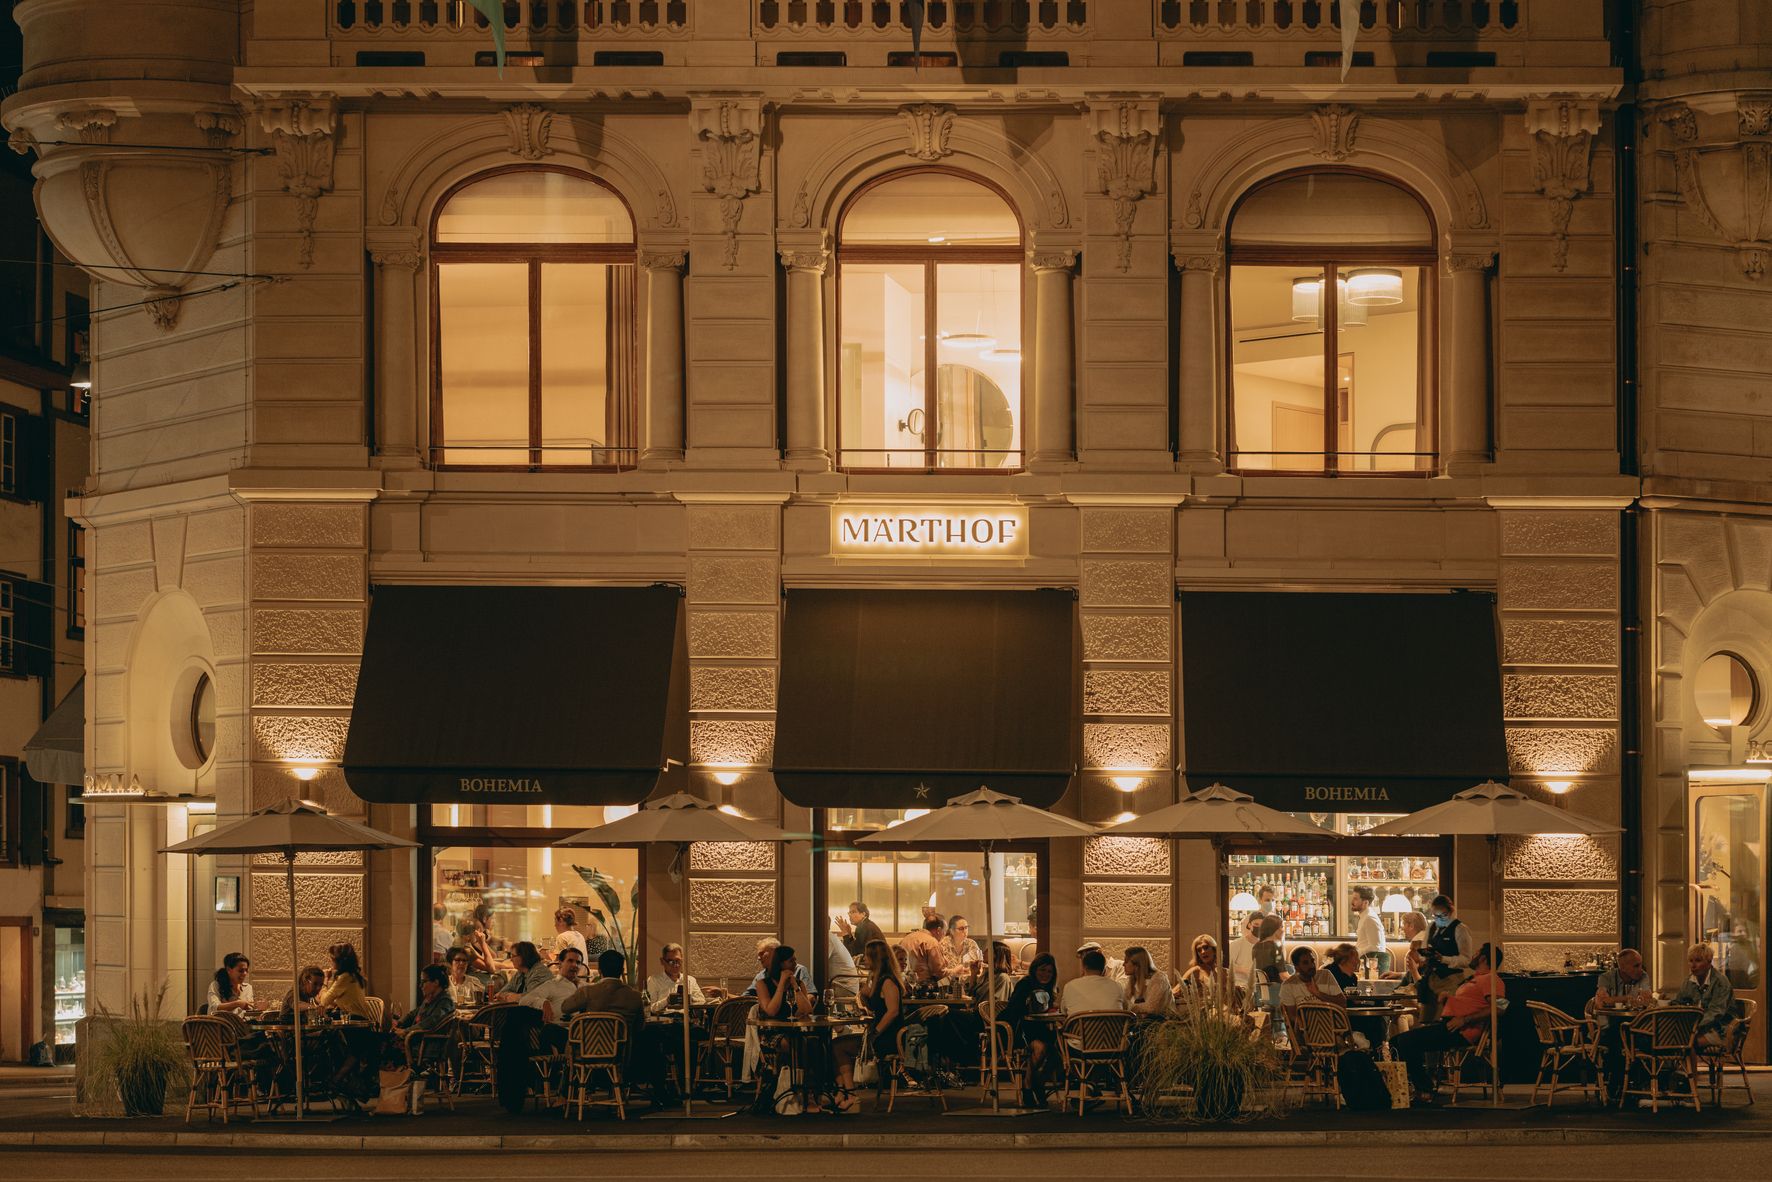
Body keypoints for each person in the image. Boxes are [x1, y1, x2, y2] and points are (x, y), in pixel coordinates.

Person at [1390, 943, 1504, 1105]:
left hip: (1461, 1030)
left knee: (1404, 1042)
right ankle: (1413, 1087)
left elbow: (1501, 1007)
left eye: (1476, 952)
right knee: (1396, 1041)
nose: (1472, 956)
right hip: (1450, 1026)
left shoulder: (1491, 979)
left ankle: (1425, 1089)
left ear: (1483, 958)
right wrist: (1448, 1001)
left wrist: (1464, 1019)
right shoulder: (1474, 979)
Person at [830, 938, 906, 1114]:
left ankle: (850, 1094)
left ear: (874, 958)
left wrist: (876, 1032)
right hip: (880, 1034)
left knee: (839, 1047)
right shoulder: (877, 979)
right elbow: (875, 1007)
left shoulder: (888, 981)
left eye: (866, 956)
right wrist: (865, 996)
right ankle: (844, 1092)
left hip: (888, 1038)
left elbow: (893, 1011)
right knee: (834, 1045)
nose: (864, 959)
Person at [1591, 947, 1652, 1099]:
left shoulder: (1643, 976)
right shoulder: (1606, 977)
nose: (1640, 969)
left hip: (1633, 1027)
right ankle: (1621, 1083)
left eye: (1640, 964)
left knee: (1633, 1037)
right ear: (1622, 967)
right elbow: (1599, 1003)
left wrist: (1612, 1000)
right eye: (1636, 965)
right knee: (1617, 1036)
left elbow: (1645, 999)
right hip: (1607, 1028)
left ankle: (1622, 1084)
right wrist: (1629, 998)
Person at [1001, 952, 1061, 1108]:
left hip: (1037, 1028)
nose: (1045, 974)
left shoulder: (1047, 989)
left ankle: (1035, 1083)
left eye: (1049, 971)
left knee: (1059, 1050)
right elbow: (1014, 1009)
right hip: (1018, 1029)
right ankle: (1030, 1086)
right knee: (1040, 1049)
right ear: (1034, 969)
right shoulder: (1025, 984)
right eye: (1042, 970)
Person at [1415, 894, 1476, 1017]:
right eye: (1435, 916)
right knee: (1426, 1019)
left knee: (1445, 1017)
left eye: (1443, 915)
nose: (1439, 919)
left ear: (1451, 911)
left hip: (1450, 981)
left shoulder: (1460, 929)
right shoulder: (1431, 927)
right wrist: (1424, 956)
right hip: (1430, 979)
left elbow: (1466, 960)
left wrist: (1443, 959)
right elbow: (1424, 948)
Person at [1673, 941, 1736, 1048]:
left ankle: (1689, 1065)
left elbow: (1716, 1012)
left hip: (1720, 1029)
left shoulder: (1720, 982)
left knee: (1688, 1043)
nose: (1693, 965)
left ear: (1709, 962)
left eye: (1698, 961)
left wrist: (1693, 1026)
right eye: (1690, 961)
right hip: (1696, 1028)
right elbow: (1678, 1003)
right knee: (1671, 1039)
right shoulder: (1688, 981)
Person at [519, 945, 586, 1030]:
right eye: (570, 961)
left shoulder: (585, 986)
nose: (575, 965)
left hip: (585, 1032)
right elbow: (524, 1000)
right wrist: (543, 1002)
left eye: (578, 962)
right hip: (560, 1031)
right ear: (560, 963)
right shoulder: (552, 985)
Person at [318, 942, 377, 1023]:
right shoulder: (354, 974)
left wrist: (326, 978)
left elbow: (324, 1001)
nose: (330, 960)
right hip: (360, 1020)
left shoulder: (345, 977)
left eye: (332, 958)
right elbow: (346, 999)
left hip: (354, 1023)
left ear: (338, 960)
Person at [755, 944, 816, 1020]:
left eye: (795, 960)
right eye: (791, 961)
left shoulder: (799, 983)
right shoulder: (762, 984)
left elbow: (807, 1011)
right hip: (771, 1029)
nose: (795, 964)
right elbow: (771, 1012)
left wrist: (795, 985)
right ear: (780, 964)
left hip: (794, 1029)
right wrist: (781, 982)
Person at [643, 942, 706, 1014]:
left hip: (687, 1020)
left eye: (678, 961)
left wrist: (689, 999)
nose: (675, 965)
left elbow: (701, 1001)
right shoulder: (654, 980)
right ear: (662, 961)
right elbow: (649, 1008)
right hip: (666, 1021)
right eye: (671, 961)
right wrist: (667, 1001)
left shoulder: (690, 980)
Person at [395, 963, 457, 1035]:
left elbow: (431, 1022)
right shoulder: (430, 999)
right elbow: (412, 1015)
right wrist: (399, 1024)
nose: (420, 985)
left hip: (427, 1043)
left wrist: (405, 1031)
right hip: (415, 1040)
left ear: (436, 982)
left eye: (423, 981)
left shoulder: (445, 1002)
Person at [1061, 948, 1127, 1013]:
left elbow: (1063, 1011)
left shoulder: (1069, 986)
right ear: (1104, 968)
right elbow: (1125, 1008)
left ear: (1084, 967)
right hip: (1113, 1024)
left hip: (1081, 1024)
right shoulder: (1117, 987)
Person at [746, 937, 814, 996]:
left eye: (761, 953)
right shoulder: (761, 976)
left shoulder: (800, 970)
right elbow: (746, 997)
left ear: (774, 952)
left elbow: (811, 996)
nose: (758, 958)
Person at [1122, 945, 1173, 1018]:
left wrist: (1130, 1007)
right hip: (1142, 1023)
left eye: (1126, 961)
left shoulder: (1159, 978)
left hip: (1162, 1023)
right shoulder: (1132, 980)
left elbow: (1151, 1008)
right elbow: (1124, 1001)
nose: (1123, 964)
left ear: (1137, 965)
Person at [1177, 933, 1232, 1002]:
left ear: (1214, 950)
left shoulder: (1225, 972)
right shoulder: (1196, 971)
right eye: (1199, 950)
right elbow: (1175, 992)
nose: (1203, 952)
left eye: (1206, 947)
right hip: (1205, 1011)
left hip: (1227, 1011)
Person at [899, 915, 949, 985]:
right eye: (944, 932)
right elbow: (940, 973)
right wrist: (955, 971)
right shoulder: (932, 942)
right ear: (939, 930)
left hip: (903, 985)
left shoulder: (906, 938)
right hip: (923, 989)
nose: (944, 936)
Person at [1349, 885, 1388, 972]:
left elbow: (1375, 947)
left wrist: (1355, 954)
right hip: (1362, 962)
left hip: (1370, 967)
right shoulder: (1364, 917)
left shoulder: (1370, 918)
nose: (1352, 902)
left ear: (1365, 903)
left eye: (1355, 899)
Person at [1226, 914, 1261, 996]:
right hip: (1240, 988)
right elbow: (1226, 964)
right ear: (1249, 925)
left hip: (1259, 988)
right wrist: (1245, 970)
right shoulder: (1237, 944)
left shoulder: (1265, 945)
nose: (1259, 927)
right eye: (1256, 924)